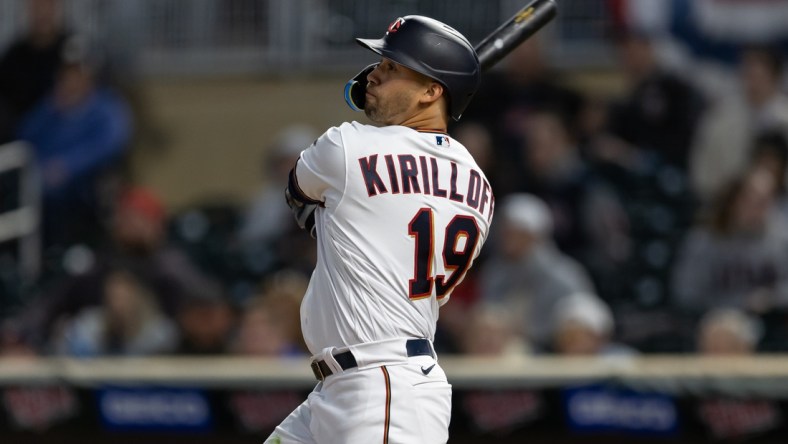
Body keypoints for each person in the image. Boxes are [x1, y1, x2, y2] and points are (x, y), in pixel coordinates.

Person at [269, 15, 493, 444]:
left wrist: (362, 101)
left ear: (431, 91)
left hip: (382, 388)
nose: (374, 74)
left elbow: (298, 194)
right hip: (365, 386)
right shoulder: (478, 184)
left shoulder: (348, 144)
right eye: (379, 64)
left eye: (392, 68)